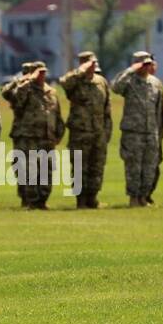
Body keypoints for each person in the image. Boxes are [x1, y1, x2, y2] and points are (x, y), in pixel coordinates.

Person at [2, 63, 64, 210]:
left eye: (43, 72)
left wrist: (59, 133)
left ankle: (42, 201)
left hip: (47, 138)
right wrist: (27, 80)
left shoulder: (51, 92)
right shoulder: (24, 90)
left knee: (47, 171)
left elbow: (57, 114)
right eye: (38, 72)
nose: (42, 75)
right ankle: (31, 201)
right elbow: (12, 97)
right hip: (27, 137)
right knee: (28, 171)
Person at [111, 53, 163, 207]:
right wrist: (130, 70)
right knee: (133, 168)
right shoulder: (129, 81)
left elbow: (159, 110)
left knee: (149, 167)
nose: (145, 66)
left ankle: (143, 197)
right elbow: (115, 87)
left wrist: (158, 133)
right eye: (142, 64)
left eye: (148, 63)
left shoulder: (155, 83)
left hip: (151, 132)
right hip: (133, 132)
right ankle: (133, 198)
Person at [59, 51, 112, 209]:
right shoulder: (75, 82)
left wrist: (107, 132)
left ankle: (92, 198)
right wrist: (81, 70)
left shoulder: (101, 81)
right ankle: (80, 200)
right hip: (80, 133)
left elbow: (107, 108)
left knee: (97, 167)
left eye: (94, 62)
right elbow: (64, 82)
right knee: (79, 167)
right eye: (89, 63)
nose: (92, 65)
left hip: (98, 132)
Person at [1, 61, 44, 207]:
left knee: (39, 166)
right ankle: (25, 197)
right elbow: (6, 93)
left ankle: (37, 198)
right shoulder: (20, 88)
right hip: (22, 132)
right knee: (22, 166)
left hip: (39, 133)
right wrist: (18, 80)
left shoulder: (41, 89)